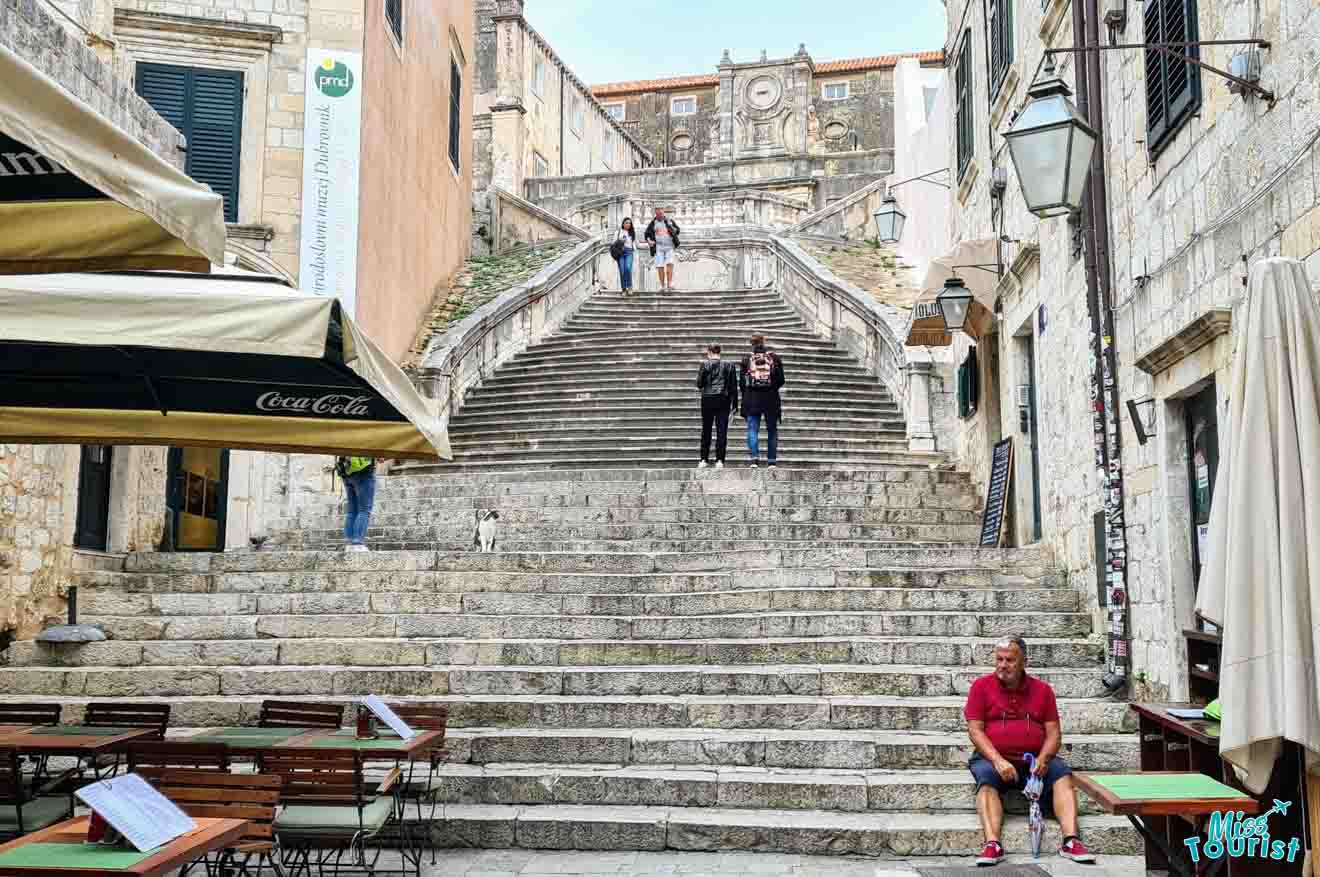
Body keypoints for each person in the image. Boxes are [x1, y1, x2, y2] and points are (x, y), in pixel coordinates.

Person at [964, 636, 1097, 866]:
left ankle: (1071, 840)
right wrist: (997, 761)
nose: (1003, 665)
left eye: (1010, 660)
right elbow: (975, 731)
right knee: (986, 781)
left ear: (1024, 662)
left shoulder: (1043, 691)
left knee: (1063, 775)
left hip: (1035, 758)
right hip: (994, 758)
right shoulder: (981, 687)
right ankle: (992, 844)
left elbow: (1054, 733)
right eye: (999, 659)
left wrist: (1043, 759)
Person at [739, 333, 784, 468]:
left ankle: (754, 459)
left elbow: (742, 383)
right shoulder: (774, 358)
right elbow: (781, 380)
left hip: (752, 399)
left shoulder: (747, 359)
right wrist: (771, 387)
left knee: (753, 430)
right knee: (772, 430)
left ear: (751, 343)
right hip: (771, 399)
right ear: (764, 342)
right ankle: (771, 461)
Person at [696, 343, 739, 469]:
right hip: (723, 400)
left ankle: (704, 458)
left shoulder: (704, 365)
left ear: (709, 352)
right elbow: (733, 387)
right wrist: (735, 405)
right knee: (722, 431)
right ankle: (720, 460)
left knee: (706, 429)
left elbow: (699, 384)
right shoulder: (729, 365)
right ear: (720, 352)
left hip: (708, 399)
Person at [336, 455, 378, 552]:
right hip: (363, 469)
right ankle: (357, 542)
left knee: (352, 510)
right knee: (364, 509)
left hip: (346, 470)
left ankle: (350, 542)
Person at [643, 206, 681, 291]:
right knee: (660, 266)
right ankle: (662, 285)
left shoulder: (669, 221)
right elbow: (646, 234)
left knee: (670, 264)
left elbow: (678, 230)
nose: (659, 215)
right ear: (655, 214)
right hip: (659, 247)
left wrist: (673, 228)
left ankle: (670, 283)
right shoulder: (653, 223)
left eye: (660, 213)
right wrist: (649, 241)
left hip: (669, 246)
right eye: (657, 214)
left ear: (663, 212)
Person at [612, 218, 636, 294]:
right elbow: (613, 244)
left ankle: (629, 287)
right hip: (621, 253)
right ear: (623, 224)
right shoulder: (618, 232)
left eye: (629, 223)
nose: (628, 224)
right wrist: (621, 241)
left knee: (628, 268)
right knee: (622, 271)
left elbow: (636, 244)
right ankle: (624, 289)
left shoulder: (632, 233)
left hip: (629, 252)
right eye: (626, 223)